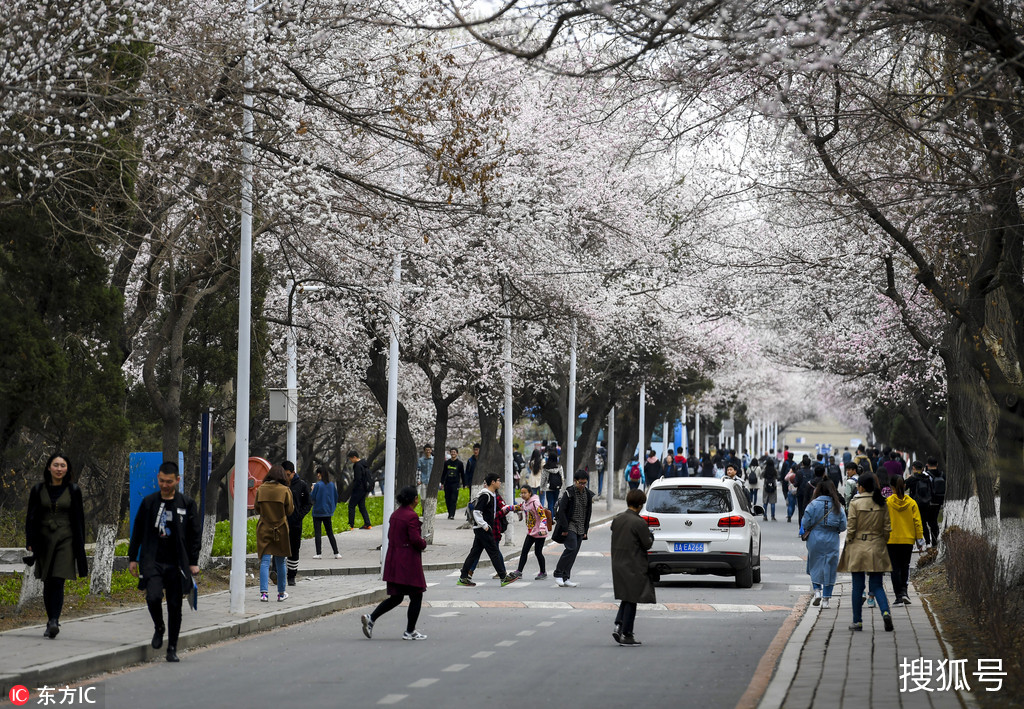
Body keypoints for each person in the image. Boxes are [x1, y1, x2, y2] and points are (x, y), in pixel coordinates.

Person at [127, 461, 201, 662]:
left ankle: (172, 648)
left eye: (169, 481)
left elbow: (195, 534)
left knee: (175, 606)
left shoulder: (186, 504)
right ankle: (159, 627)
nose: (165, 485)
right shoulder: (149, 502)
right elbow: (138, 530)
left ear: (177, 480)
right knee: (152, 597)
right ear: (157, 479)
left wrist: (193, 561)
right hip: (153, 560)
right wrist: (132, 557)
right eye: (161, 481)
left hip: (177, 563)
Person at [25, 454, 88, 639]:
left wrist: (80, 544)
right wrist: (30, 541)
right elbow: (31, 517)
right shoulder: (38, 489)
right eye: (56, 465)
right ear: (49, 468)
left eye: (63, 465)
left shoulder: (74, 490)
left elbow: (79, 519)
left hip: (66, 540)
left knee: (58, 579)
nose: (59, 468)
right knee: (48, 580)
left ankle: (54, 620)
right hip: (43, 540)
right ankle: (50, 619)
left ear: (67, 469)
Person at [362, 486, 428, 640]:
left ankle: (371, 618)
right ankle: (410, 631)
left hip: (393, 559)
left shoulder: (395, 515)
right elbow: (415, 540)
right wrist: (423, 543)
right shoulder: (411, 516)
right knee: (417, 595)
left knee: (396, 597)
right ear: (414, 500)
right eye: (417, 498)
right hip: (408, 561)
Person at [838, 472, 894, 632]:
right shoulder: (882, 503)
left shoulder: (856, 503)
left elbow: (852, 527)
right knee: (877, 585)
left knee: (858, 586)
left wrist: (849, 542)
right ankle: (885, 612)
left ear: (861, 486)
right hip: (877, 546)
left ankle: (858, 621)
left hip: (858, 546)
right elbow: (887, 528)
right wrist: (882, 542)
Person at [610, 488, 655, 647]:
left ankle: (619, 625)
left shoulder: (617, 519)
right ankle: (627, 634)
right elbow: (647, 543)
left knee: (627, 596)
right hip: (633, 564)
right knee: (632, 598)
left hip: (617, 563)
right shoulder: (639, 522)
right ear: (641, 504)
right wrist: (651, 535)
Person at [456, 473, 517, 587]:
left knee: (474, 553)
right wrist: (485, 525)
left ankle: (463, 577)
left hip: (481, 529)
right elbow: (476, 512)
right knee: (493, 552)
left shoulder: (491, 495)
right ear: (492, 482)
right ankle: (503, 577)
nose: (499, 482)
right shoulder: (486, 495)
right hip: (483, 529)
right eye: (498, 480)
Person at [802, 479, 847, 609]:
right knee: (830, 568)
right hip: (832, 539)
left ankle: (817, 591)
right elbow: (843, 526)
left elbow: (805, 523)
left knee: (814, 564)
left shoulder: (812, 505)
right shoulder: (837, 505)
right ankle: (826, 600)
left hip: (815, 538)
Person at [255, 464, 294, 604]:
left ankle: (264, 594)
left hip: (264, 527)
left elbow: (257, 508)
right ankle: (281, 593)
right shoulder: (285, 490)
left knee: (265, 562)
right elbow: (290, 510)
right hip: (281, 528)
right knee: (281, 561)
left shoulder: (261, 489)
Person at [552, 469, 595, 587]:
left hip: (581, 526)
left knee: (574, 552)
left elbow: (588, 513)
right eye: (580, 483)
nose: (582, 485)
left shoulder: (588, 494)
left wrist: (586, 530)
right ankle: (558, 573)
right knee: (571, 548)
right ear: (575, 481)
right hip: (570, 525)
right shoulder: (569, 492)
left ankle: (566, 577)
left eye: (584, 483)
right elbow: (562, 512)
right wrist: (565, 528)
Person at [886, 475, 924, 605]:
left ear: (891, 487)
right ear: (905, 486)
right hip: (907, 540)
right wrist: (919, 540)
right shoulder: (912, 503)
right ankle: (904, 591)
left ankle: (898, 596)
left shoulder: (888, 502)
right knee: (905, 566)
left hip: (891, 540)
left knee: (894, 568)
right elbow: (917, 522)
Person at [506, 486, 549, 581]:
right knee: (524, 551)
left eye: (525, 493)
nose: (522, 495)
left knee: (538, 552)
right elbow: (519, 507)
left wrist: (542, 528)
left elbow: (543, 516)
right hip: (531, 532)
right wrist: (507, 508)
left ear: (530, 493)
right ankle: (519, 571)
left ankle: (543, 572)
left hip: (540, 532)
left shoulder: (535, 503)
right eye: (521, 493)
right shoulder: (525, 503)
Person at [283, 460, 311, 585]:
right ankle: (277, 574)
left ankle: (291, 575)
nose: (286, 477)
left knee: (294, 549)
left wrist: (299, 516)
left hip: (295, 524)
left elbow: (308, 503)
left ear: (293, 473)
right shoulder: (280, 484)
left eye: (288, 474)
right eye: (284, 475)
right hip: (281, 523)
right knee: (279, 549)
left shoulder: (302, 485)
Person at [310, 466, 341, 559]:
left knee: (318, 533)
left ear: (320, 474)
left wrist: (312, 489)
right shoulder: (331, 485)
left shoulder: (318, 485)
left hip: (317, 512)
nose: (317, 475)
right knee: (330, 533)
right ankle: (336, 552)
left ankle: (318, 553)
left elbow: (312, 497)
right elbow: (336, 497)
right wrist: (332, 508)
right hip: (328, 512)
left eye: (318, 474)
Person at [347, 450, 372, 530]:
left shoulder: (357, 466)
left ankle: (350, 525)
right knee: (362, 506)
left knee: (351, 506)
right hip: (364, 488)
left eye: (351, 459)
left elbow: (358, 479)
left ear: (354, 457)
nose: (350, 460)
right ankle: (368, 524)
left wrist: (354, 488)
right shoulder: (364, 463)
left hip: (359, 489)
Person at [923, 458, 945, 547]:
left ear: (927, 465)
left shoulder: (926, 475)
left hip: (930, 501)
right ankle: (935, 541)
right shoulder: (942, 474)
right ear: (937, 464)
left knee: (928, 522)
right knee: (934, 521)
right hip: (939, 501)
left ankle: (931, 542)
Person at [441, 448, 464, 519]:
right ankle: (449, 512)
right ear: (450, 453)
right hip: (447, 483)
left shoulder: (460, 463)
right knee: (447, 499)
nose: (453, 453)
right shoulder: (446, 463)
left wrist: (464, 483)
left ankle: (452, 515)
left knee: (453, 499)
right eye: (452, 452)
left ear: (457, 453)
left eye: (454, 452)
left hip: (455, 483)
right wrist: (442, 482)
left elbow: (462, 474)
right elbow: (444, 473)